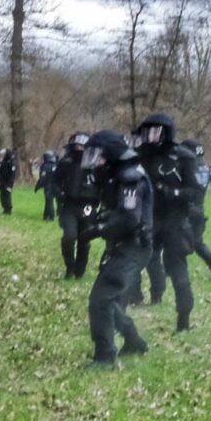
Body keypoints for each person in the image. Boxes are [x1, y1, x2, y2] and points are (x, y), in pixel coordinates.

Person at [77, 130, 152, 367]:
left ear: (110, 154)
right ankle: (134, 342)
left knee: (101, 299)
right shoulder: (114, 175)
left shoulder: (130, 177)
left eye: (97, 156)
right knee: (110, 301)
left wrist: (99, 228)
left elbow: (129, 218)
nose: (95, 162)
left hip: (134, 247)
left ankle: (105, 357)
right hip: (122, 245)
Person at [135, 113, 201, 333]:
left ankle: (184, 320)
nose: (150, 136)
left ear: (167, 132)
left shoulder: (184, 157)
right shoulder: (140, 155)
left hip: (175, 221)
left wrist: (172, 192)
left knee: (178, 271)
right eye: (147, 131)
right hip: (149, 218)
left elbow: (194, 190)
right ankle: (150, 295)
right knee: (141, 260)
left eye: (155, 131)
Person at [54, 133, 97, 279]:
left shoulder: (95, 164)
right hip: (69, 206)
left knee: (84, 240)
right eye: (77, 146)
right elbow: (54, 181)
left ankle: (80, 269)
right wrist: (58, 194)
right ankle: (69, 266)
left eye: (82, 146)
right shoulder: (65, 163)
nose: (79, 149)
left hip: (88, 207)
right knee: (69, 237)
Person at [182, 139, 211, 281]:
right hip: (199, 208)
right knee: (197, 243)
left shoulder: (188, 166)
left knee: (172, 241)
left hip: (186, 208)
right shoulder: (204, 167)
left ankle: (172, 272)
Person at [35, 150, 59, 221]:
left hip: (49, 186)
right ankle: (48, 215)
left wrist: (38, 186)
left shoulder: (46, 166)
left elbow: (43, 177)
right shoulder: (56, 165)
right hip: (57, 186)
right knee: (56, 201)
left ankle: (50, 216)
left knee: (49, 202)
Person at [0, 149, 17, 215]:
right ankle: (5, 208)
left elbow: (12, 174)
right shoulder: (4, 161)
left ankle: (8, 209)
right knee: (2, 196)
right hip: (2, 182)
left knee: (7, 195)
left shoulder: (11, 162)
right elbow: (0, 170)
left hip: (8, 182)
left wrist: (10, 184)